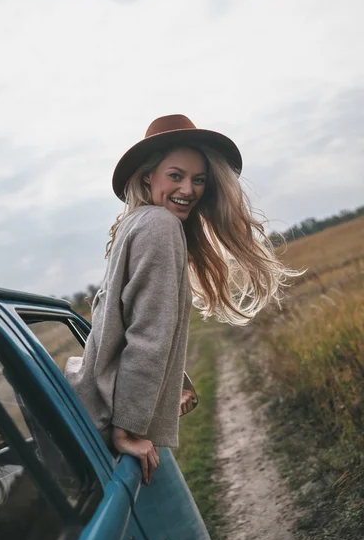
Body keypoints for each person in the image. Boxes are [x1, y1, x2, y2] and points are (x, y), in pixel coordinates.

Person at [65, 114, 295, 486]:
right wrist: (129, 428)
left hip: (92, 409)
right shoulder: (160, 225)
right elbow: (147, 336)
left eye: (199, 179)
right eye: (176, 176)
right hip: (109, 423)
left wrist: (175, 384)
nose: (189, 189)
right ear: (147, 177)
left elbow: (132, 322)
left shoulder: (136, 224)